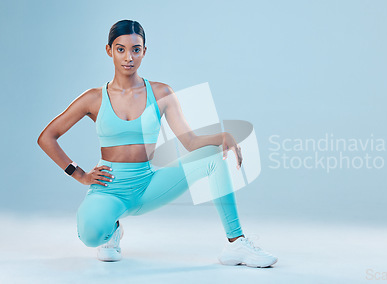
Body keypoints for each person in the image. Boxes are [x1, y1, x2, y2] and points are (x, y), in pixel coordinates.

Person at [36, 19, 277, 268]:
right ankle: (111, 231)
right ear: (109, 50)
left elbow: (190, 141)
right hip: (109, 187)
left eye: (136, 49)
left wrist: (221, 137)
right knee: (90, 235)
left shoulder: (161, 93)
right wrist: (81, 175)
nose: (128, 57)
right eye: (121, 49)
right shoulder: (94, 98)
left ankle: (235, 244)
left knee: (213, 157)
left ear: (144, 51)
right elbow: (47, 137)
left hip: (148, 184)